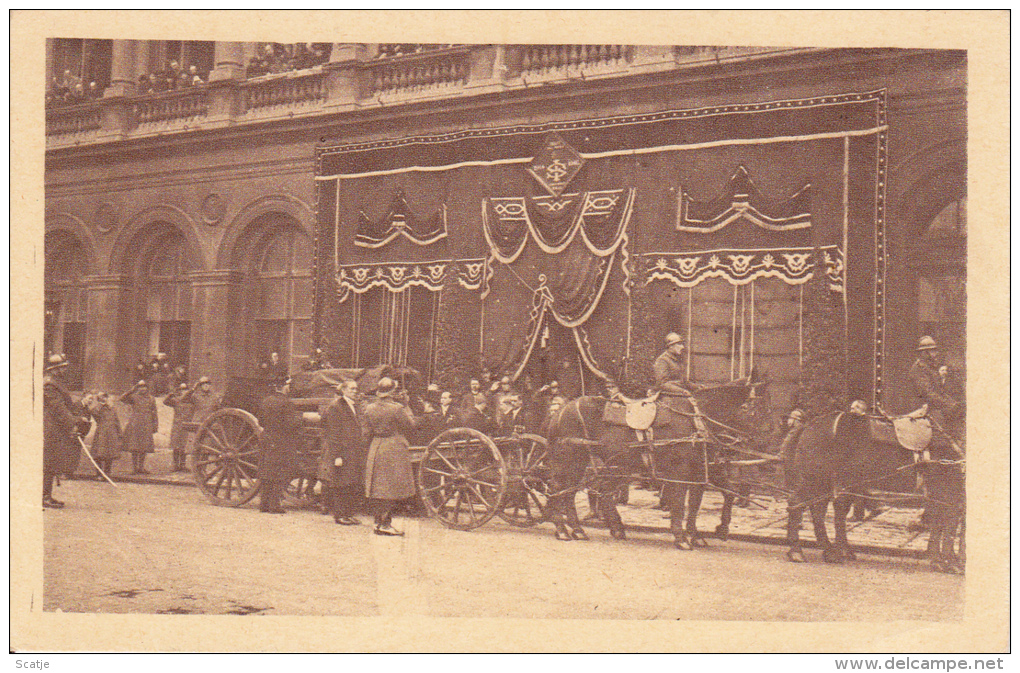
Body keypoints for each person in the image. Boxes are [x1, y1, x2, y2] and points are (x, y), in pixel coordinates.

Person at [363, 377, 419, 536]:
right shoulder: (397, 408)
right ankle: (385, 525)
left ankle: (378, 522)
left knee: (378, 487)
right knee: (390, 486)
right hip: (393, 447)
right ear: (392, 391)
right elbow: (411, 426)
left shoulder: (369, 408)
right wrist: (406, 405)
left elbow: (366, 432)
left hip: (376, 446)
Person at [43, 354, 90, 508]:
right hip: (50, 428)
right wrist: (75, 422)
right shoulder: (50, 385)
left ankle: (47, 495)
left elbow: (66, 407)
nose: (65, 369)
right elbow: (59, 410)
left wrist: (83, 403)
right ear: (54, 369)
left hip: (56, 428)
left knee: (51, 462)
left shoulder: (57, 383)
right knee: (48, 462)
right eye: (62, 367)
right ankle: (44, 496)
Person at [318, 379, 367, 526]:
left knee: (350, 483)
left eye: (356, 389)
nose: (355, 391)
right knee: (340, 484)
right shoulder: (336, 407)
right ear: (344, 390)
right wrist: (337, 456)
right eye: (351, 389)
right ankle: (339, 515)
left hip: (352, 451)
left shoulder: (353, 406)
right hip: (342, 452)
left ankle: (348, 514)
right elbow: (333, 433)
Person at [257, 377, 301, 514]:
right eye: (288, 386)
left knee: (267, 471)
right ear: (283, 387)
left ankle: (264, 504)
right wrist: (300, 419)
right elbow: (291, 424)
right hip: (282, 440)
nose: (289, 388)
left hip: (267, 437)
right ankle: (274, 505)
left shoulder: (266, 401)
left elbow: (260, 421)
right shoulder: (286, 403)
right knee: (279, 472)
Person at [119, 380, 158, 475]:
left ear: (147, 388)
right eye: (140, 387)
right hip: (135, 423)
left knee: (144, 446)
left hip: (147, 423)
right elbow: (122, 398)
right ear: (137, 388)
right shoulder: (134, 397)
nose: (142, 389)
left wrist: (155, 425)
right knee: (134, 446)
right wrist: (131, 391)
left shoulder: (151, 398)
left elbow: (154, 412)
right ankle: (135, 467)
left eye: (144, 387)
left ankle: (141, 467)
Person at [84, 391, 122, 479]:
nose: (104, 398)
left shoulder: (112, 408)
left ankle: (107, 473)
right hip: (101, 432)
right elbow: (95, 414)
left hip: (112, 432)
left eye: (105, 397)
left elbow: (116, 421)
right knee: (98, 454)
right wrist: (102, 405)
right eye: (101, 397)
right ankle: (99, 473)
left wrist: (119, 434)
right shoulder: (96, 409)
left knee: (110, 454)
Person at [164, 382, 194, 472]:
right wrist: (170, 395)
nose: (184, 391)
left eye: (185, 389)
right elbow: (165, 402)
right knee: (176, 446)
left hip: (187, 426)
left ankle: (183, 465)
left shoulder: (191, 401)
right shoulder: (176, 400)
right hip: (177, 426)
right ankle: (176, 465)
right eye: (182, 390)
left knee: (184, 446)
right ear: (179, 391)